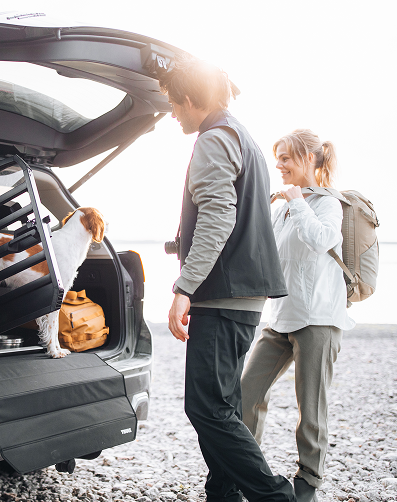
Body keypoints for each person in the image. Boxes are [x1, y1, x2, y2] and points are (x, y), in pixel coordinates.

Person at [160, 55, 295, 502]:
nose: (172, 113)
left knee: (206, 408)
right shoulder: (244, 137)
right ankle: (223, 493)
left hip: (222, 295)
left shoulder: (214, 139)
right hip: (243, 294)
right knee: (223, 404)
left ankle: (275, 496)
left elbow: (217, 218)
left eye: (174, 104)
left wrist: (184, 289)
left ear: (191, 98)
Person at [241, 129, 356, 502]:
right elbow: (266, 256)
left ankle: (308, 486)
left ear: (309, 158)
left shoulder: (328, 204)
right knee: (245, 394)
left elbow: (321, 240)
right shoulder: (282, 206)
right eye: (278, 158)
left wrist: (298, 201)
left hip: (319, 319)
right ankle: (247, 473)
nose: (280, 165)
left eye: (287, 158)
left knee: (311, 410)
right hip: (280, 316)